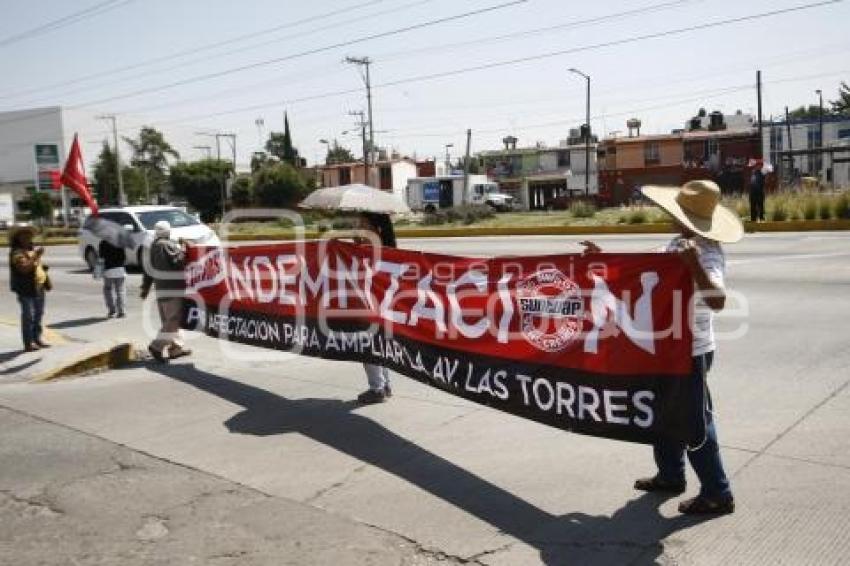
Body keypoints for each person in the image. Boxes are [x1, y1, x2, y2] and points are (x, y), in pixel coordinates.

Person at [580, 179, 742, 515]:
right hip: (667, 347)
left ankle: (717, 492)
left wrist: (693, 264)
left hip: (690, 351)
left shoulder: (707, 252)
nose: (669, 215)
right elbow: (641, 265)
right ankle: (670, 475)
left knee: (694, 421)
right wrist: (602, 258)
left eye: (677, 212)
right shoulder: (679, 242)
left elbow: (719, 301)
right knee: (663, 413)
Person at [354, 212, 397, 404]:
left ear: (375, 227)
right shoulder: (385, 246)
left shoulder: (373, 245)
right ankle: (384, 384)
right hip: (383, 303)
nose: (359, 225)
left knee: (368, 344)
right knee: (380, 343)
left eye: (363, 223)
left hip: (371, 303)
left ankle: (376, 388)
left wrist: (356, 247)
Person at [140, 220, 191, 362]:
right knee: (173, 322)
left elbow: (148, 271)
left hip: (161, 289)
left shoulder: (152, 247)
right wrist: (184, 249)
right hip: (172, 289)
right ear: (168, 232)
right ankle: (156, 346)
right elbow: (178, 261)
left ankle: (175, 349)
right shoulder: (166, 245)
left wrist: (145, 288)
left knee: (170, 321)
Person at [8, 225, 51, 352]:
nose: (27, 237)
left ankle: (37, 338)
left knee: (38, 314)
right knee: (29, 316)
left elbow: (35, 266)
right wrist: (35, 256)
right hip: (26, 289)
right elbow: (24, 268)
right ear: (18, 238)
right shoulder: (16, 252)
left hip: (38, 286)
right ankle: (28, 343)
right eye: (24, 235)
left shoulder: (30, 249)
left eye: (29, 234)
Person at [99, 238, 127, 318]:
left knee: (108, 290)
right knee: (120, 290)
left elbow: (101, 257)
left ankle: (112, 311)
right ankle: (122, 311)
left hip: (108, 270)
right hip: (120, 269)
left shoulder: (103, 242)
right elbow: (124, 256)